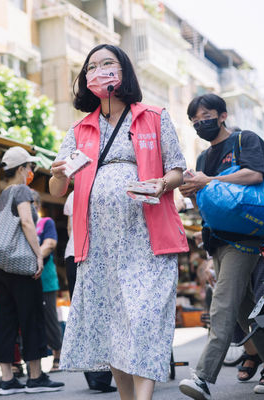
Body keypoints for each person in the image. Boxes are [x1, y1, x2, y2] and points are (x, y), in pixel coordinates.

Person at [49, 44, 188, 400]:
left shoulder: (154, 116)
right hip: (98, 242)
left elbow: (176, 167)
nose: (99, 70)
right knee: (113, 323)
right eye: (92, 66)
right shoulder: (79, 128)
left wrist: (161, 183)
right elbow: (56, 187)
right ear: (85, 79)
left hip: (146, 235)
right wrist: (59, 174)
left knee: (144, 319)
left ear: (123, 70)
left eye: (108, 63)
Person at [178, 93, 264, 400]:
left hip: (244, 237)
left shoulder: (245, 140)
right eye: (194, 120)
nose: (199, 123)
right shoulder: (204, 158)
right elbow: (207, 202)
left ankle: (203, 377)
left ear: (221, 115)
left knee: (222, 305)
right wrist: (193, 191)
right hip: (217, 240)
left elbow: (255, 174)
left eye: (204, 116)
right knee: (244, 309)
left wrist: (210, 181)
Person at [0, 146, 64, 395]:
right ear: (21, 169)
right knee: (31, 318)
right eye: (30, 167)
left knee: (5, 320)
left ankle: (7, 379)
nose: (32, 171)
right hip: (22, 266)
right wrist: (37, 256)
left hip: (3, 267)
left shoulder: (3, 194)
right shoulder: (22, 191)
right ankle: (35, 376)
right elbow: (27, 222)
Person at [63, 191, 117, 393]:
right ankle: (102, 374)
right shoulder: (105, 188)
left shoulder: (73, 195)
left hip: (73, 254)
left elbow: (70, 228)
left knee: (84, 313)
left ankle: (93, 374)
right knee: (105, 313)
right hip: (95, 255)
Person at [31, 190, 63, 373]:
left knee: (49, 318)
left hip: (46, 280)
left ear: (37, 206)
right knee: (32, 320)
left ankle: (57, 355)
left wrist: (32, 259)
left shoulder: (45, 223)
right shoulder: (21, 224)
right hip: (27, 280)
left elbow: (50, 244)